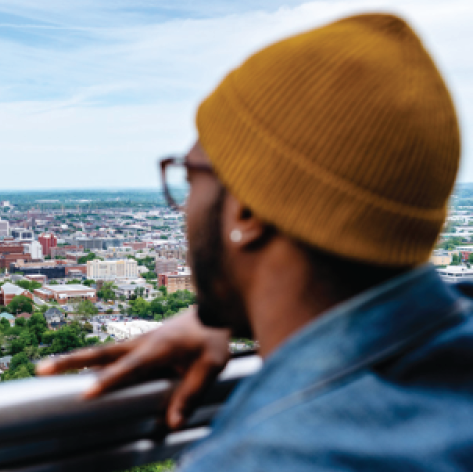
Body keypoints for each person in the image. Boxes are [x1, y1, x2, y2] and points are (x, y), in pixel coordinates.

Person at [37, 13, 472, 471]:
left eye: (190, 177)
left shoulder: (260, 460)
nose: (183, 208)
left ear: (246, 211)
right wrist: (236, 313)